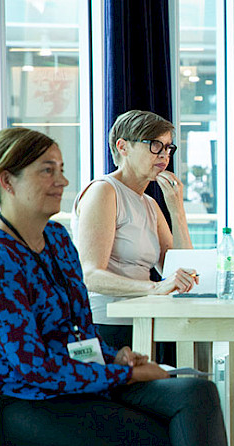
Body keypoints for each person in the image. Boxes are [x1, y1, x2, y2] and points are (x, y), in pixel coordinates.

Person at [0, 127, 232, 446]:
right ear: (7, 181)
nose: (63, 181)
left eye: (61, 169)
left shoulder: (57, 240)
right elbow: (33, 369)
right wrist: (123, 376)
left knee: (196, 394)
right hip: (25, 408)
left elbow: (79, 333)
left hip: (77, 386)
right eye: (47, 171)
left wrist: (115, 357)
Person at [72, 110, 196, 356]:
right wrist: (154, 288)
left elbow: (180, 270)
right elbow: (90, 275)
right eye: (154, 145)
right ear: (123, 146)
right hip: (107, 326)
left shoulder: (149, 203)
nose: (164, 155)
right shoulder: (104, 191)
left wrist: (177, 210)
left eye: (169, 148)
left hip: (144, 319)